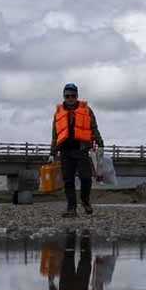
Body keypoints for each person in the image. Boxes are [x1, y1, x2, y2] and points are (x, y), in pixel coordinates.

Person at [49, 83, 104, 218]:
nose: (70, 98)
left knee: (86, 178)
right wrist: (52, 153)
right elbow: (55, 134)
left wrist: (100, 143)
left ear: (77, 96)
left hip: (82, 150)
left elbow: (94, 128)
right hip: (65, 152)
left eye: (73, 95)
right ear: (64, 96)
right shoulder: (58, 112)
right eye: (67, 96)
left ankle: (85, 201)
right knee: (68, 181)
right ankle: (71, 208)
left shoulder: (87, 110)